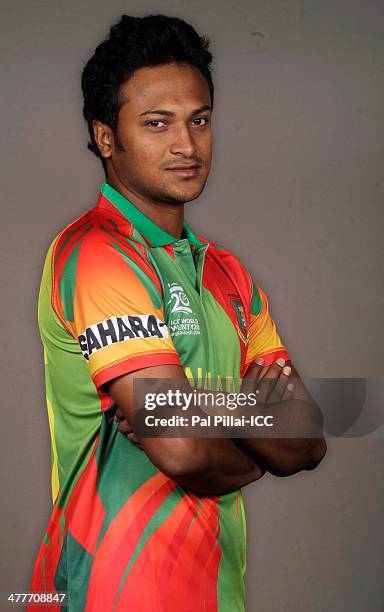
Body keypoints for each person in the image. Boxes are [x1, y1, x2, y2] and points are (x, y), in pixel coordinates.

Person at [28, 14, 326, 612]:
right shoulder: (98, 255)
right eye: (157, 123)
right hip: (105, 591)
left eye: (200, 120)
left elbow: (309, 440)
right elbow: (185, 451)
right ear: (106, 137)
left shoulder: (229, 275)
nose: (186, 145)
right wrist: (252, 418)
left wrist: (197, 411)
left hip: (215, 593)